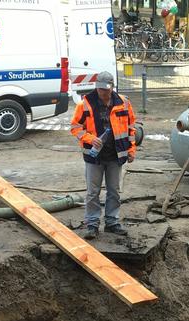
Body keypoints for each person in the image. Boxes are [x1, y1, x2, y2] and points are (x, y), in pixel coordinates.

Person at [69, 71, 137, 240]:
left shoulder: (123, 103)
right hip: (94, 157)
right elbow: (75, 127)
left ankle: (112, 222)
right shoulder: (85, 104)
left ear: (112, 87)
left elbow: (131, 128)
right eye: (100, 89)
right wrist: (90, 138)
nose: (103, 93)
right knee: (93, 192)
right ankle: (92, 224)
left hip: (116, 155)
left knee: (114, 191)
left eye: (106, 89)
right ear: (96, 87)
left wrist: (131, 150)